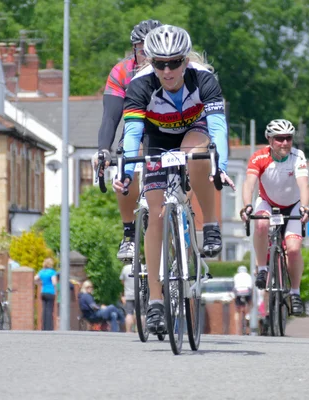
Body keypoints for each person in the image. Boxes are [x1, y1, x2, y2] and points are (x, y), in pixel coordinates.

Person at [113, 25, 235, 333]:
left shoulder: (203, 77)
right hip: (157, 139)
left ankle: (209, 224)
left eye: (175, 62)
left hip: (194, 129)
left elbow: (218, 127)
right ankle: (155, 301)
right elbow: (132, 135)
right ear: (150, 62)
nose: (167, 70)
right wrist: (126, 173)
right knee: (155, 214)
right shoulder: (140, 85)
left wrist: (220, 165)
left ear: (186, 60)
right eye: (159, 63)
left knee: (197, 156)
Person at [94, 19, 163, 261]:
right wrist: (103, 150)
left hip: (170, 128)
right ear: (134, 49)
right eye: (142, 49)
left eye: (153, 48)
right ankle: (129, 234)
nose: (148, 55)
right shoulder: (122, 72)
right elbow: (110, 117)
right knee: (125, 167)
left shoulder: (169, 68)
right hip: (136, 128)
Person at [239, 119, 309, 316]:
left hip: (293, 205)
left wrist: (304, 208)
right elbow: (249, 184)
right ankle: (262, 268)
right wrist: (247, 206)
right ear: (269, 139)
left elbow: (304, 184)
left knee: (294, 250)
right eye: (279, 139)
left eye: (288, 138)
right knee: (261, 224)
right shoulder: (258, 157)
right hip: (268, 203)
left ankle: (294, 293)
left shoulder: (298, 156)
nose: (285, 143)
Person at [34, 258, 58, 330]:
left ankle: (43, 327)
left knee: (44, 309)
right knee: (49, 310)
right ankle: (49, 327)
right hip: (50, 292)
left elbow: (35, 278)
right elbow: (54, 282)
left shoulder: (41, 272)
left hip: (43, 292)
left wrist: (40, 283)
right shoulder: (52, 272)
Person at [233, 265, 253, 334]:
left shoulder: (236, 276)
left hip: (238, 292)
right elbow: (251, 286)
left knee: (237, 310)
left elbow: (234, 286)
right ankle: (248, 315)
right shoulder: (248, 276)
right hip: (247, 291)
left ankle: (237, 328)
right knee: (250, 303)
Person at [120, 263, 135, 332]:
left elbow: (122, 281)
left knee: (129, 313)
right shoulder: (142, 267)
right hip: (140, 294)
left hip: (129, 294)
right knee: (141, 313)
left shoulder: (125, 268)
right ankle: (140, 331)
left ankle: (129, 331)